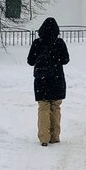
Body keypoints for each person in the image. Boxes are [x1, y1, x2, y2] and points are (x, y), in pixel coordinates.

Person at [27, 17, 70, 146]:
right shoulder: (59, 43)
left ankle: (44, 138)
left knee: (43, 107)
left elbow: (30, 61)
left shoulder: (37, 43)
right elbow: (65, 60)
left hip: (42, 81)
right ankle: (55, 136)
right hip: (57, 79)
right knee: (56, 107)